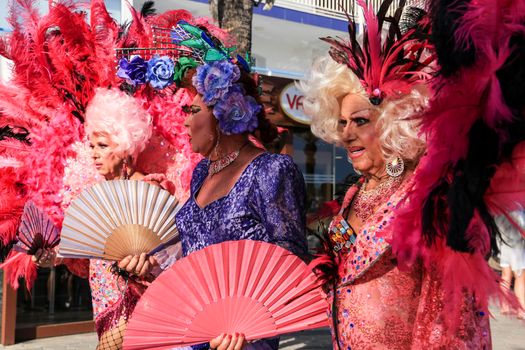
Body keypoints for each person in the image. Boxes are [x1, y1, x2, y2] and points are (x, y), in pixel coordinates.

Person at [300, 2, 492, 348]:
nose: (345, 134)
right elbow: (345, 274)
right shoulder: (353, 194)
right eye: (341, 123)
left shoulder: (432, 199)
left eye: (359, 121)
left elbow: (448, 321)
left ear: (395, 123)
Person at [120, 21, 308, 350]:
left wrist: (249, 320)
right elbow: (193, 256)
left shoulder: (271, 170)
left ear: (225, 112)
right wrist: (152, 263)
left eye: (193, 110)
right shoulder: (201, 173)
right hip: (195, 329)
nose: (185, 120)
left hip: (246, 339)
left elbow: (290, 260)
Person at [34, 88, 176, 350]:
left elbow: (171, 253)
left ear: (124, 148)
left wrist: (147, 262)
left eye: (103, 146)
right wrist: (51, 256)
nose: (94, 154)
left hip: (140, 300)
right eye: (91, 146)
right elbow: (78, 249)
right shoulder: (93, 196)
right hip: (101, 304)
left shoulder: (150, 190)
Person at [496, 211, 525, 319]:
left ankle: (504, 306)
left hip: (503, 246)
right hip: (516, 246)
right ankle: (522, 309)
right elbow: (523, 227)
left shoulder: (498, 209)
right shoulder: (517, 209)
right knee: (520, 278)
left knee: (505, 276)